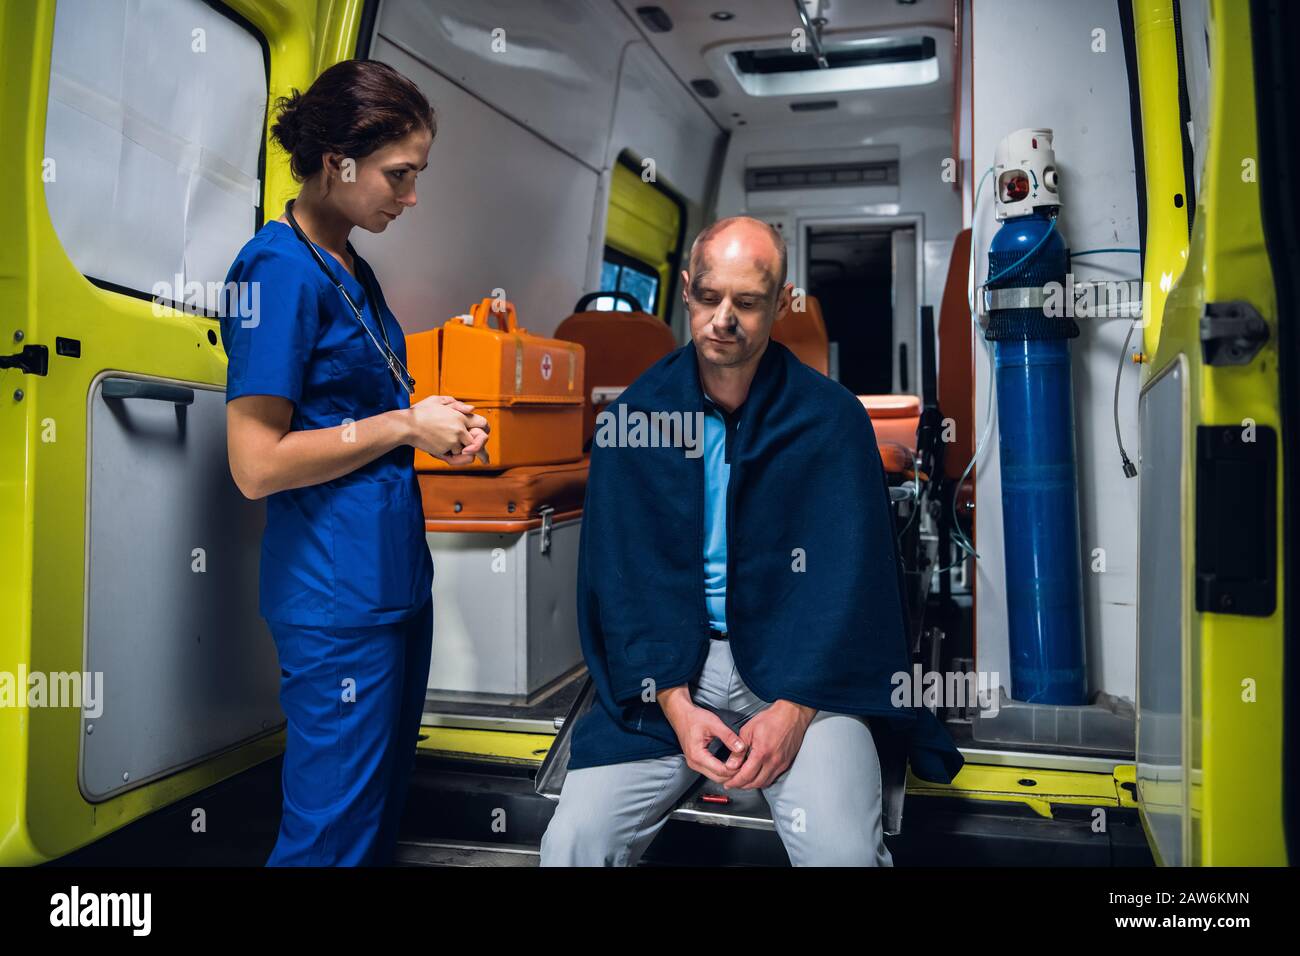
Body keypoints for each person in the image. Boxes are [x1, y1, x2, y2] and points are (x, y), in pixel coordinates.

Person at [539, 216, 963, 866]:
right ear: (685, 289)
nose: (724, 319)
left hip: (806, 674)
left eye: (748, 301)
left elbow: (854, 588)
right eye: (709, 298)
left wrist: (792, 713)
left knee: (842, 853)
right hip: (673, 673)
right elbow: (621, 584)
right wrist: (677, 706)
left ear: (780, 300)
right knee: (571, 847)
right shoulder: (635, 421)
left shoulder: (831, 421)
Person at [218, 59, 488, 866]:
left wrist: (434, 426)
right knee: (329, 839)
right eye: (398, 176)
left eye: (418, 176)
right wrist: (406, 424)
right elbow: (256, 464)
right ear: (336, 162)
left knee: (371, 826)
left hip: (391, 585)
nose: (409, 199)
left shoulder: (352, 271)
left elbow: (358, 419)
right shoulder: (275, 272)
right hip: (335, 600)